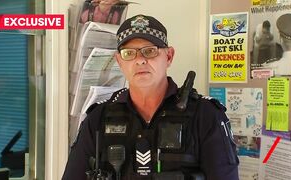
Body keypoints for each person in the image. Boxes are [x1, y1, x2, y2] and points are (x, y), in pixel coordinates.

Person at [63, 14, 239, 180]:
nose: (139, 60)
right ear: (119, 62)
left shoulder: (206, 115)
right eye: (129, 53)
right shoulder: (98, 118)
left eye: (150, 51)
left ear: (169, 56)